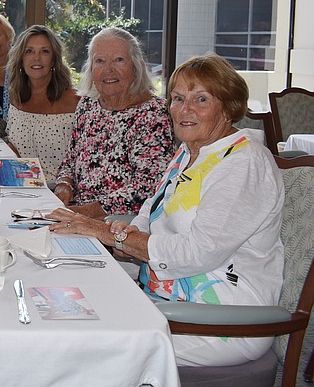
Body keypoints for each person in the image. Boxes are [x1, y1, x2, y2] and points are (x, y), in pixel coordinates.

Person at [48, 53, 284, 368]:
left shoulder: (244, 163)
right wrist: (119, 239)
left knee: (78, 343)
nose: (184, 110)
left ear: (228, 107)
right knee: (60, 301)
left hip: (218, 320)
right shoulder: (188, 153)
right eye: (177, 98)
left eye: (201, 99)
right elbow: (148, 216)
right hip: (162, 297)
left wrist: (103, 231)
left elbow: (195, 253)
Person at [54, 27, 174, 217]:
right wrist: (64, 184)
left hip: (118, 227)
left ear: (136, 66)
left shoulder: (154, 114)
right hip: (79, 216)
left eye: (119, 60)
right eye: (99, 61)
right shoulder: (87, 105)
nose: (108, 70)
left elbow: (147, 188)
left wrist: (82, 213)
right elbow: (70, 159)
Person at [5, 25, 80, 181]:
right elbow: (13, 144)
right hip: (21, 187)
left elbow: (82, 159)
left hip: (61, 192)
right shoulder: (15, 96)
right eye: (29, 51)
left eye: (44, 51)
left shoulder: (75, 101)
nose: (36, 58)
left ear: (53, 60)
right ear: (21, 59)